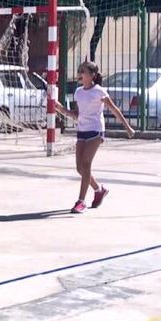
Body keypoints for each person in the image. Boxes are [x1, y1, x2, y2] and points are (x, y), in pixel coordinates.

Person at [53, 61, 134, 214]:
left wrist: (128, 127)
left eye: (83, 71)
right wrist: (60, 108)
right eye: (80, 71)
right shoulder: (78, 92)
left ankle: (81, 201)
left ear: (92, 75)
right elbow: (77, 115)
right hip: (82, 131)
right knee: (79, 168)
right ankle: (99, 190)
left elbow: (114, 109)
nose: (80, 73)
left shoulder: (99, 92)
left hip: (96, 131)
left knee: (86, 164)